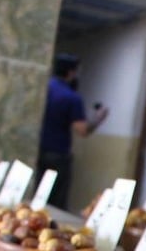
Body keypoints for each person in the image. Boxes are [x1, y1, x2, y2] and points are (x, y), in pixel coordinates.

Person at [36, 53, 108, 211]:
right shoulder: (71, 97)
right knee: (54, 204)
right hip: (58, 155)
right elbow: (82, 130)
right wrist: (98, 118)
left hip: (39, 150)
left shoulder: (43, 89)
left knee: (38, 196)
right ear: (71, 72)